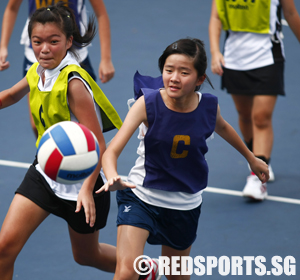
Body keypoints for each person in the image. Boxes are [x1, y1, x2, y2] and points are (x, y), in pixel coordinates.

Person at [0, 4, 123, 279]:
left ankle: (145, 268)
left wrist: (86, 189)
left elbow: (99, 144)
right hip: (46, 172)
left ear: (69, 41)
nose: (44, 49)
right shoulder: (38, 69)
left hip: (81, 182)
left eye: (53, 41)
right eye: (37, 42)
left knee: (87, 256)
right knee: (4, 249)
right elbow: (11, 95)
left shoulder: (73, 83)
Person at [96, 38, 269, 280]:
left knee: (176, 275)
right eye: (169, 70)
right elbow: (111, 151)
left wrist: (251, 158)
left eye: (184, 72)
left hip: (183, 205)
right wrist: (112, 174)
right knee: (126, 272)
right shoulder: (148, 103)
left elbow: (223, 127)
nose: (174, 77)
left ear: (199, 79)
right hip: (141, 196)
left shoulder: (208, 107)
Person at [209, 0, 300, 200]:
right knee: (244, 115)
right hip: (234, 59)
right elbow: (216, 17)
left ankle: (257, 178)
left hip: (268, 57)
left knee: (261, 117)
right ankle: (259, 161)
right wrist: (215, 52)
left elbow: (291, 14)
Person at [0, 0, 115, 138]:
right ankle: (50, 153)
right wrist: (3, 46)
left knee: (82, 126)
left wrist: (106, 59)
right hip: (34, 55)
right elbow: (12, 8)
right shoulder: (37, 64)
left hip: (76, 55)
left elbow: (101, 14)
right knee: (38, 124)